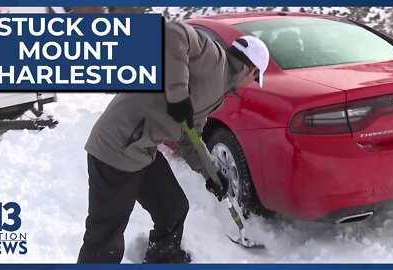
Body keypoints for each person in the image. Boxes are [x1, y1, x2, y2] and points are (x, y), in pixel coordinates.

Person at [77, 21, 269, 264]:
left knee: (173, 208)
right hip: (116, 146)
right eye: (255, 78)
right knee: (106, 235)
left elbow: (190, 137)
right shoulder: (214, 58)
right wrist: (178, 95)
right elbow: (170, 32)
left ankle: (163, 256)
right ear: (252, 70)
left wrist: (212, 173)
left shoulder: (217, 93)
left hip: (143, 149)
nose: (251, 83)